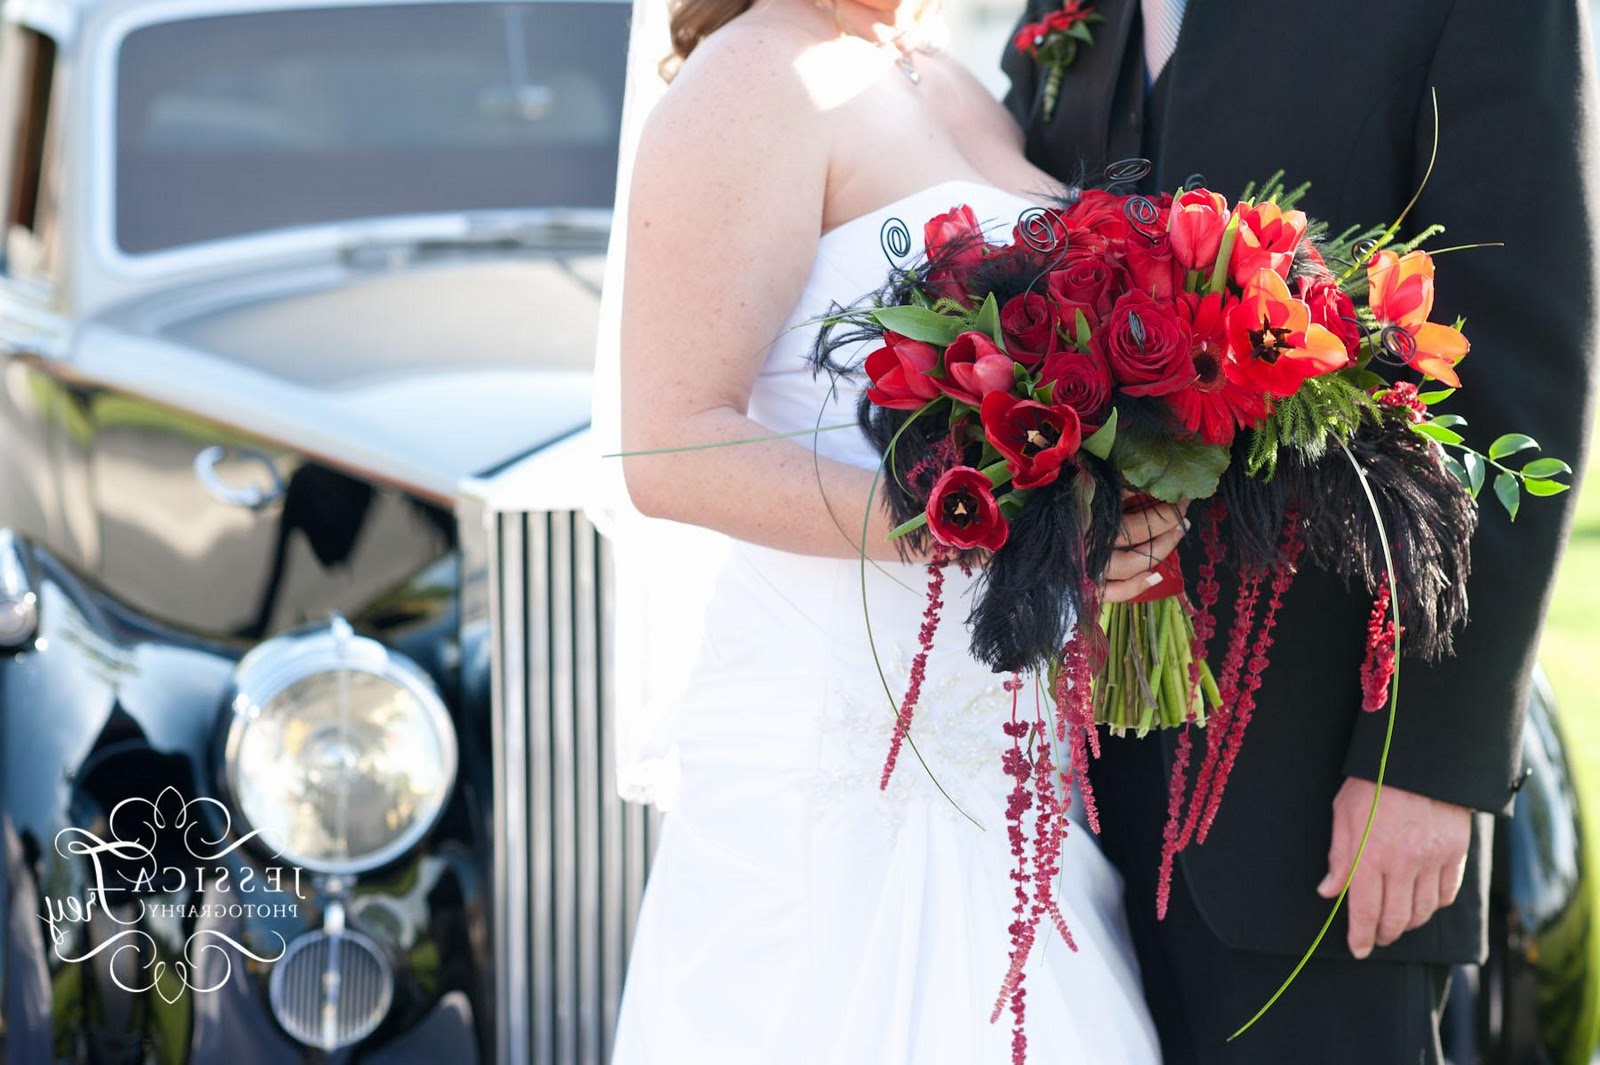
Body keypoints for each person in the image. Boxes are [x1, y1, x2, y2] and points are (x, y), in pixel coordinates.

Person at [1000, 2, 1599, 1062]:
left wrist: (1426, 761)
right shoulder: (1065, 17)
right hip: (1061, 806)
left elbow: (1514, 373)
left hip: (1313, 807)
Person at [597, 0, 1180, 1059]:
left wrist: (1103, 499)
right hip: (834, 759)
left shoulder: (949, 78)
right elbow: (668, 447)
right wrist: (971, 522)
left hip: (1011, 752)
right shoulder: (749, 81)